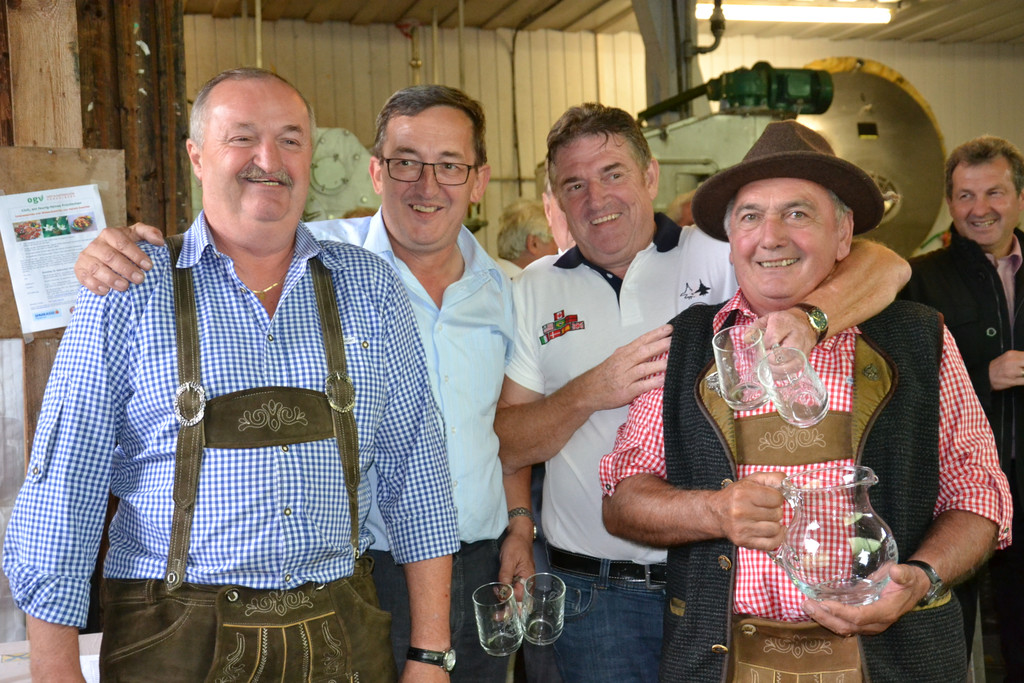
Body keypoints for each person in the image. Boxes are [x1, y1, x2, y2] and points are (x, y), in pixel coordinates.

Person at [3, 68, 460, 682]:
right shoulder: (130, 287)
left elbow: (418, 475)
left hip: (342, 632)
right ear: (197, 156)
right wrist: (55, 669)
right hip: (173, 641)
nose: (268, 160)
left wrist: (430, 655)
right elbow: (64, 487)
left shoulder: (369, 287)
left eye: (290, 140)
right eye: (242, 137)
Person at [494, 105, 911, 682]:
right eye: (574, 184)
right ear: (556, 200)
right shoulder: (535, 288)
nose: (596, 198)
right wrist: (590, 392)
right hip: (595, 586)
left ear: (650, 176)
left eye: (613, 173)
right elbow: (509, 443)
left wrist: (812, 318)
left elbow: (885, 265)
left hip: (716, 583)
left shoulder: (720, 250)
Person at [599, 120, 1013, 682]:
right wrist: (714, 511)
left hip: (895, 663)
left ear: (844, 235)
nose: (770, 237)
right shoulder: (686, 345)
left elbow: (979, 493)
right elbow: (623, 500)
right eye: (751, 217)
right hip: (721, 666)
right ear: (731, 241)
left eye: (797, 214)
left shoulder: (920, 337)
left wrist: (922, 576)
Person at [900, 135, 1024, 680]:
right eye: (966, 195)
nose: (980, 209)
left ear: (1019, 197)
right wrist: (982, 376)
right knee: (949, 629)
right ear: (950, 203)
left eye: (994, 192)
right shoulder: (916, 278)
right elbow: (900, 382)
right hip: (954, 494)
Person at [495, 198, 558, 278]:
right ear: (533, 243)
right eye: (556, 238)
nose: (559, 248)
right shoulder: (517, 284)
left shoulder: (493, 277)